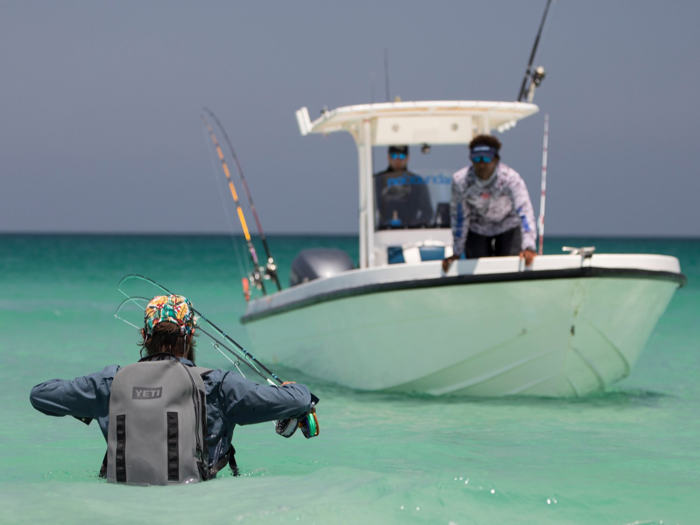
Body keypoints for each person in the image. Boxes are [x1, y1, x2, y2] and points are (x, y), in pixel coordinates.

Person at [29, 294, 314, 482]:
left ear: (144, 335)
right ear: (190, 337)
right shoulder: (216, 385)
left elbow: (41, 395)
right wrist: (294, 388)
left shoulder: (110, 384)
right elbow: (297, 400)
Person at [442, 135, 537, 272]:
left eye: (486, 159)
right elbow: (460, 217)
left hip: (507, 225)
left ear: (496, 159)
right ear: (470, 159)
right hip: (478, 228)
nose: (482, 164)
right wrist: (456, 252)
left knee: (509, 270)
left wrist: (529, 247)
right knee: (479, 273)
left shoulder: (510, 178)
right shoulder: (460, 181)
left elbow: (524, 210)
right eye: (477, 158)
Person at [374, 145, 433, 228]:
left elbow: (427, 212)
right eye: (394, 156)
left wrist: (415, 228)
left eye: (402, 156)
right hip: (383, 233)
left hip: (410, 233)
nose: (398, 159)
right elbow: (369, 209)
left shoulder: (417, 181)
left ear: (408, 157)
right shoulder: (377, 180)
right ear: (388, 156)